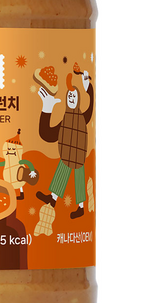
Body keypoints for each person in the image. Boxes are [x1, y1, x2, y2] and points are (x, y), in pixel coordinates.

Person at [36, 70, 93, 219]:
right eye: (69, 96)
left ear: (78, 99)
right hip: (67, 154)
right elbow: (47, 134)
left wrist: (88, 87)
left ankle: (81, 207)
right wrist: (47, 108)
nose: (71, 99)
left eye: (73, 96)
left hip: (79, 155)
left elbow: (90, 106)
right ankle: (53, 198)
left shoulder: (83, 117)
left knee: (79, 179)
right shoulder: (65, 120)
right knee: (62, 170)